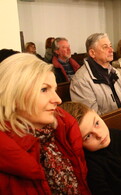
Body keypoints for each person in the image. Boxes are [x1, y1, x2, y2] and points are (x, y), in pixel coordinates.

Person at [0, 53, 91, 194]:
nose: (58, 100)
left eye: (54, 90)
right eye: (44, 89)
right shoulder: (8, 154)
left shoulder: (63, 129)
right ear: (14, 95)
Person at [70, 33, 121, 115]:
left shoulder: (115, 72)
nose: (111, 50)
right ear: (92, 53)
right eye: (105, 47)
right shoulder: (81, 80)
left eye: (110, 46)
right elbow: (91, 118)